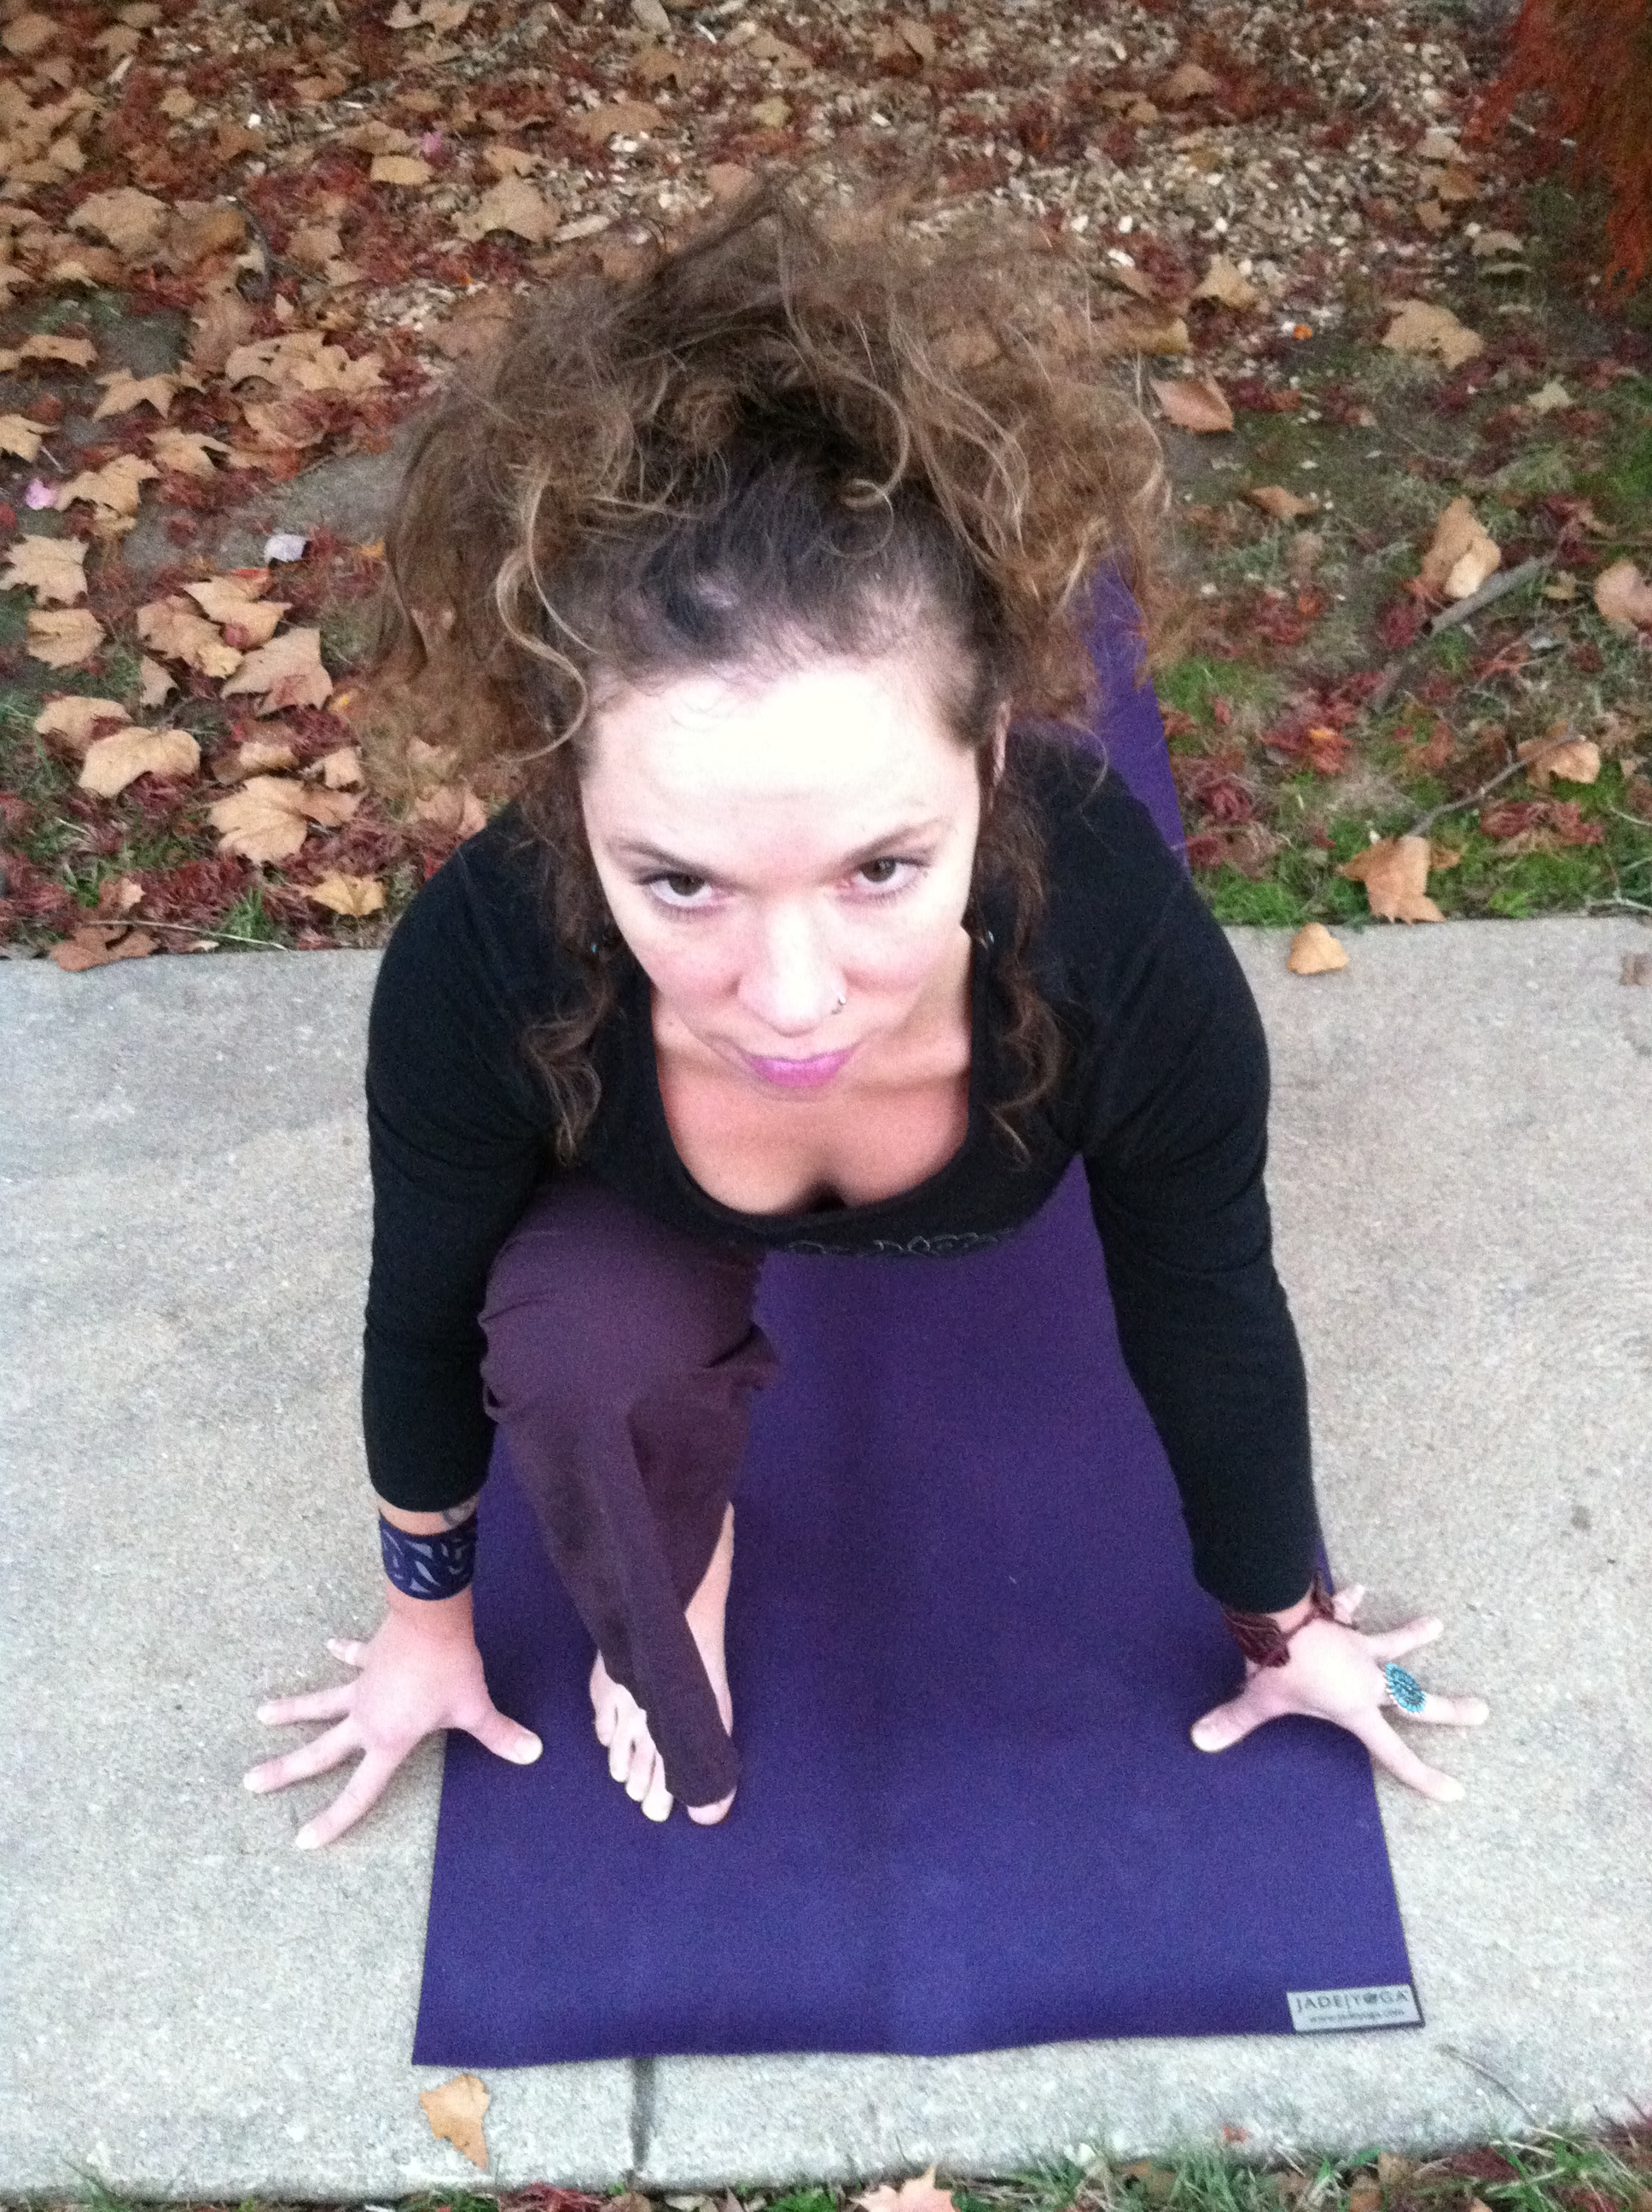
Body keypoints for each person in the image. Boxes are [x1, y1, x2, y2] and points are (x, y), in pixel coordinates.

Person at [244, 166, 1487, 1848]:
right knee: (571, 1345)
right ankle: (684, 1545)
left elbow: (1205, 1297)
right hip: (633, 1237)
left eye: (880, 868)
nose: (793, 997)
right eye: (683, 882)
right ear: (566, 796)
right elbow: (419, 1311)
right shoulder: (488, 961)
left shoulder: (1116, 952)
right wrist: (424, 1626)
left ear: (991, 762)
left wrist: (1285, 1621)